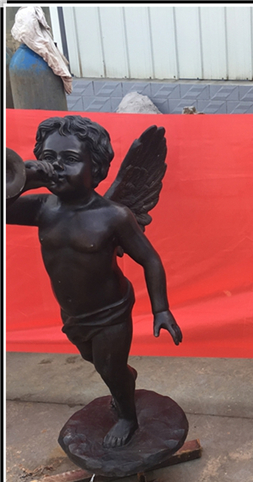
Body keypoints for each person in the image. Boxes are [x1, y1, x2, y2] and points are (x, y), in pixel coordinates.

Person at [6, 115, 182, 448]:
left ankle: (128, 417)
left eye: (70, 159)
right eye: (48, 158)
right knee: (97, 362)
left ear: (96, 168)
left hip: (111, 312)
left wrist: (161, 309)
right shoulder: (43, 208)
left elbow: (150, 259)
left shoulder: (113, 215)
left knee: (109, 369)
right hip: (73, 315)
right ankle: (124, 379)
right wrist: (24, 179)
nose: (56, 167)